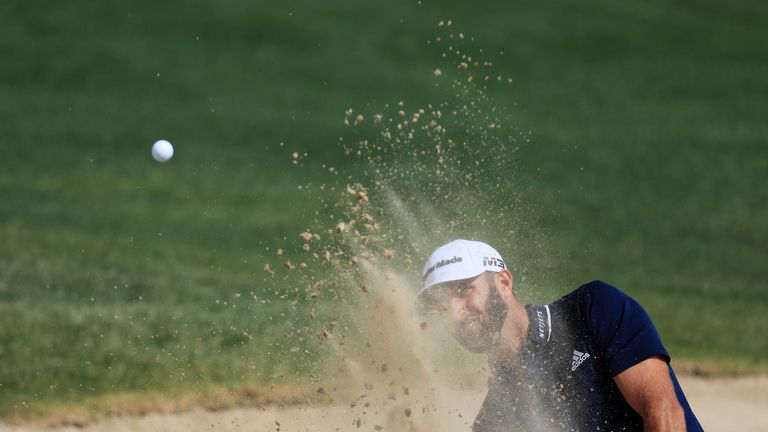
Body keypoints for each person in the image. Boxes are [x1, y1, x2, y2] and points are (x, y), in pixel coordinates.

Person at [417, 239, 703, 431]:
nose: (454, 313)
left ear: (503, 282)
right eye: (440, 304)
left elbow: (663, 411)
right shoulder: (497, 415)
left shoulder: (593, 310)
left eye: (463, 290)